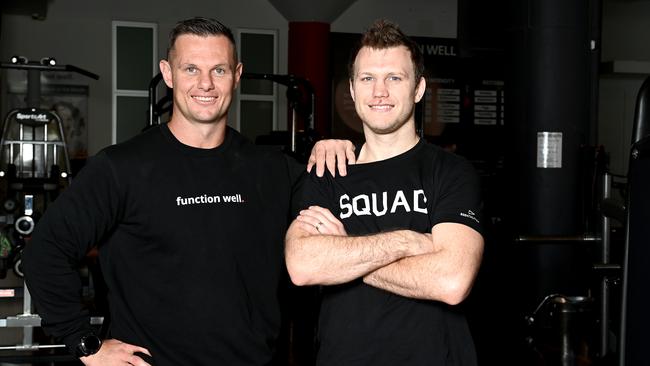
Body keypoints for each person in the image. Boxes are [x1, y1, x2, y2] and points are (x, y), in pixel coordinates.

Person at [23, 17, 353, 366]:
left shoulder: (274, 170)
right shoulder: (120, 168)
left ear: (237, 75)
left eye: (219, 70)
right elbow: (44, 253)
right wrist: (85, 343)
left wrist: (333, 151)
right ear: (168, 73)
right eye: (191, 69)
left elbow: (348, 223)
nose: (205, 84)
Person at [285, 19, 485, 365]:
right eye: (368, 79)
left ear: (418, 89)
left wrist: (343, 248)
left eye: (395, 78)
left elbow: (452, 280)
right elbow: (304, 265)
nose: (380, 92)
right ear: (352, 89)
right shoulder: (326, 173)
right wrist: (408, 241)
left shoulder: (451, 172)